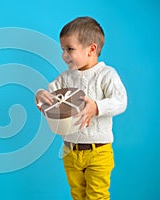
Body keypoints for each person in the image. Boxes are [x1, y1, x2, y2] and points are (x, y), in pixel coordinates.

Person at [35, 16, 127, 200]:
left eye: (70, 49)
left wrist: (97, 107)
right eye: (63, 49)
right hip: (70, 151)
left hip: (98, 152)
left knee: (97, 196)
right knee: (78, 195)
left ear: (91, 49)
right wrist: (39, 95)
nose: (64, 55)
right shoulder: (66, 77)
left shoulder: (106, 75)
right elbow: (48, 96)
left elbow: (120, 101)